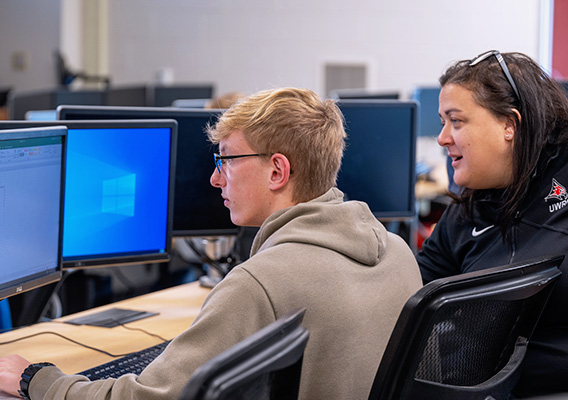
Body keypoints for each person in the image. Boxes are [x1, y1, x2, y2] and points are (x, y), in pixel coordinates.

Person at [0, 87, 422, 400]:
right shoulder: (399, 253)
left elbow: (144, 398)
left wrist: (34, 378)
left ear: (277, 171)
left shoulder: (261, 283)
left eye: (226, 160)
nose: (215, 178)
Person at [417, 50, 568, 398]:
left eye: (456, 121)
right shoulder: (467, 209)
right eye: (443, 122)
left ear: (509, 125)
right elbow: (414, 288)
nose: (442, 138)